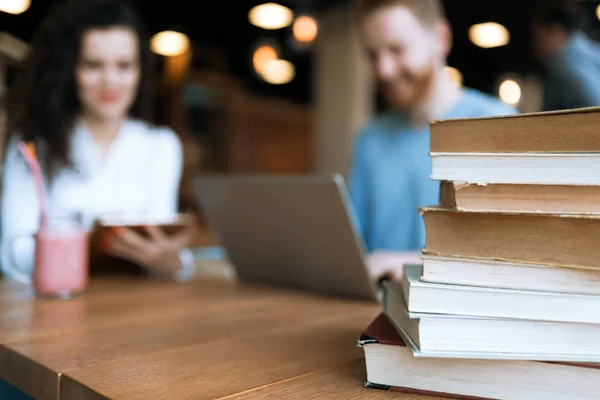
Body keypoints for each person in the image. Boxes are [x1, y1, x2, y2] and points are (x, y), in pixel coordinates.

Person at [1, 0, 197, 283]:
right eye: (93, 65)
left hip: (132, 306)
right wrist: (90, 248)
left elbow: (161, 242)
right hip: (54, 309)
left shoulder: (161, 146)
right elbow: (11, 255)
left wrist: (173, 261)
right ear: (69, 70)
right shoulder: (33, 146)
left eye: (124, 65)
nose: (111, 81)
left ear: (140, 71)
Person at [349, 0, 517, 280]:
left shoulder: (499, 125)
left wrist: (413, 263)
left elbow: (512, 255)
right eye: (372, 55)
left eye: (396, 49)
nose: (383, 70)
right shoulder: (369, 140)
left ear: (441, 39)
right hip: (371, 314)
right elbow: (355, 249)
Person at [531, 0, 600, 111]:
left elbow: (596, 114)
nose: (535, 45)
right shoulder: (594, 53)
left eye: (538, 35)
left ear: (555, 31)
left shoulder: (566, 69)